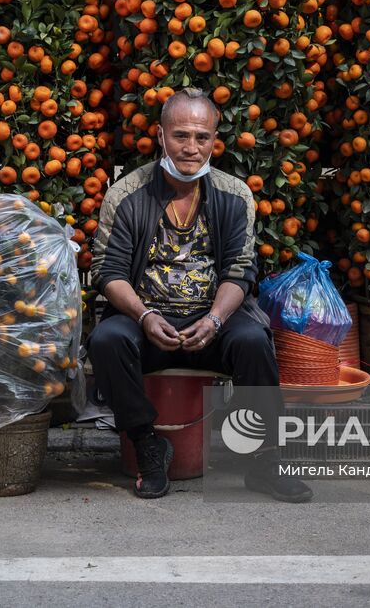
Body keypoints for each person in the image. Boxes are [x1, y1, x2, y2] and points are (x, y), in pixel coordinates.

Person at [88, 87, 311, 502]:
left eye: (202, 137)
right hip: (148, 327)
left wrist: (214, 320)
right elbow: (107, 270)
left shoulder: (234, 194)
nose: (191, 147)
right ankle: (148, 447)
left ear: (214, 139)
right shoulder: (126, 193)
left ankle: (267, 460)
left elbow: (240, 271)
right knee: (107, 339)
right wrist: (143, 316)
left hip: (212, 326)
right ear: (160, 136)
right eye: (181, 136)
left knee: (253, 341)